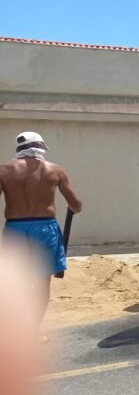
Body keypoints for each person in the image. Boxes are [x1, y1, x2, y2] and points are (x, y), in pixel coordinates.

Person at [0, 131, 82, 342]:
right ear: (40, 147)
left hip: (15, 228)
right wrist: (72, 207)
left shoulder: (3, 170)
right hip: (44, 229)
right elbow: (76, 204)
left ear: (19, 149)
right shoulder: (54, 170)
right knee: (41, 283)